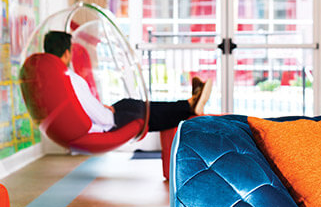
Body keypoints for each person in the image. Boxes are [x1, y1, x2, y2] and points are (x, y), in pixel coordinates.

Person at [43, 30, 211, 134]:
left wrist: (104, 108)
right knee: (143, 112)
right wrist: (107, 114)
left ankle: (189, 104)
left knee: (133, 104)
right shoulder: (70, 78)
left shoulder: (52, 78)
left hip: (101, 117)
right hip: (105, 122)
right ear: (66, 53)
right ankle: (189, 106)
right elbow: (90, 110)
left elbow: (82, 105)